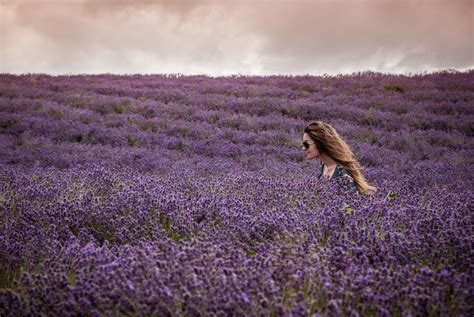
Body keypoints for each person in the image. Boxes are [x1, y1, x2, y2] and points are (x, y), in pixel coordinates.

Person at [302, 121, 376, 195]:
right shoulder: (323, 167)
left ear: (320, 143)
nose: (303, 148)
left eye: (306, 144)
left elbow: (351, 204)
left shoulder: (342, 174)